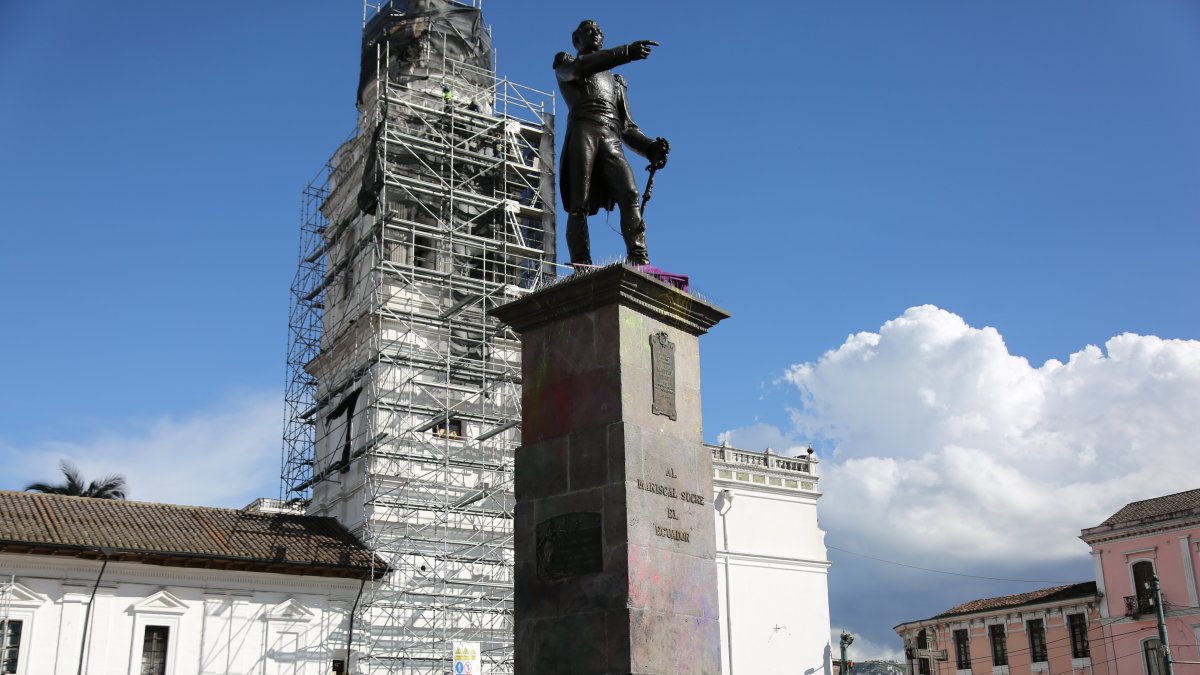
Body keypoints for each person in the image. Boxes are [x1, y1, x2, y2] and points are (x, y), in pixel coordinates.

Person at [554, 20, 670, 266]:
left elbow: (627, 127)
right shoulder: (566, 63)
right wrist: (626, 52)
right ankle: (581, 262)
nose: (596, 33)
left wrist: (650, 147)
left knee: (629, 192)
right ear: (577, 39)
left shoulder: (617, 82)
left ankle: (639, 258)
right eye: (590, 30)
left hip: (611, 135)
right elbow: (581, 67)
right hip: (583, 130)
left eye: (599, 31)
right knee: (578, 203)